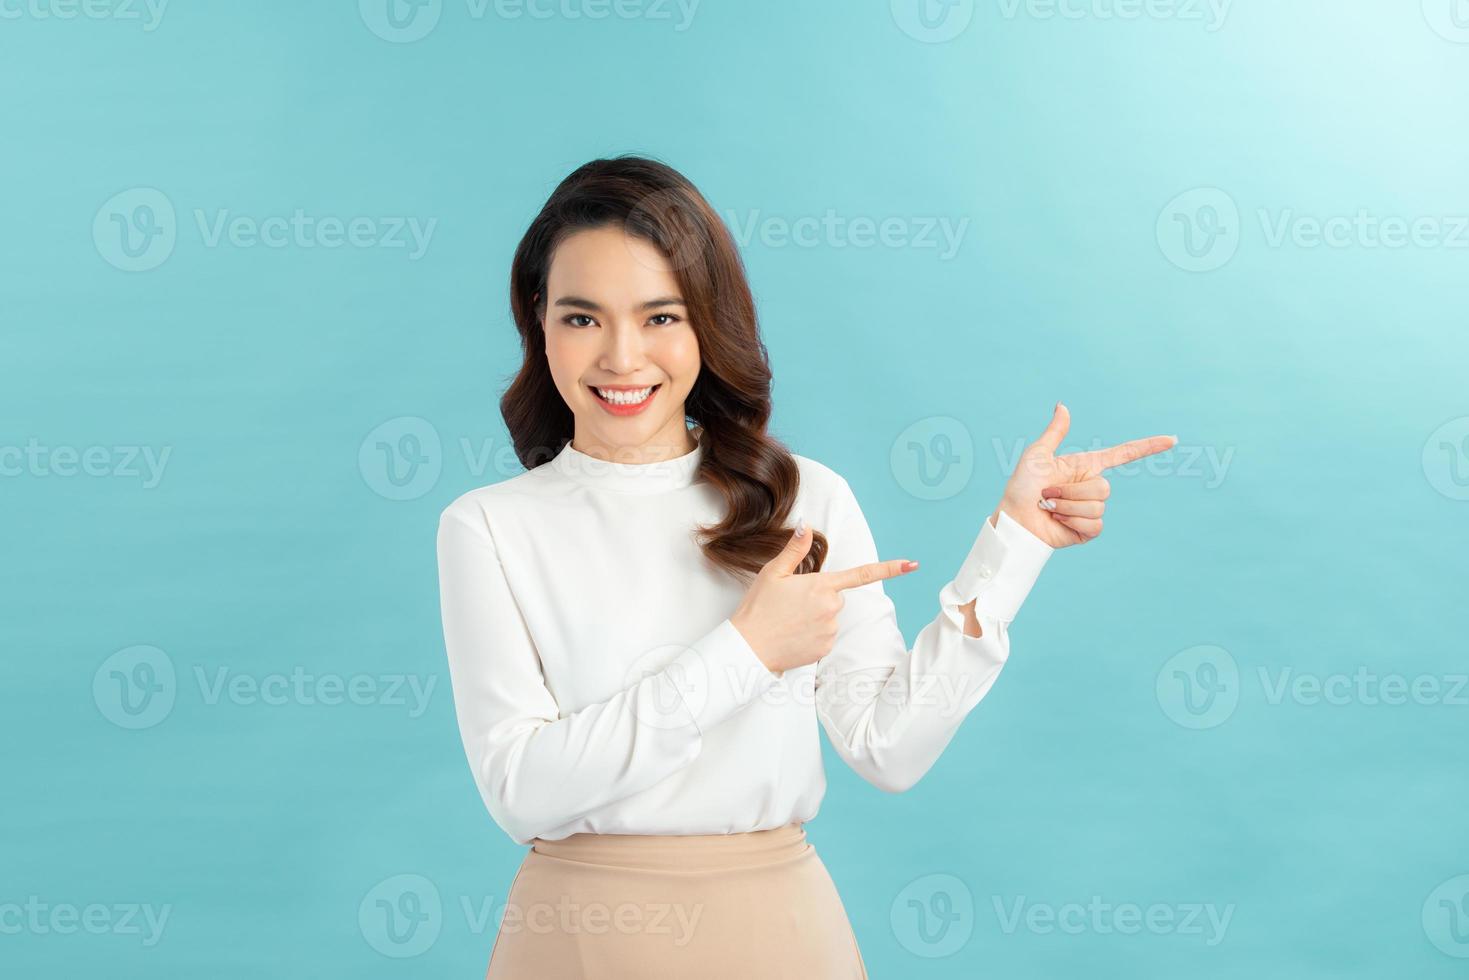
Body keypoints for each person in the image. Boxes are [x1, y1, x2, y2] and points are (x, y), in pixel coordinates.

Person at [435, 155, 1177, 978]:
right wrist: (744, 654)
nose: (620, 356)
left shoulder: (803, 499)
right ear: (538, 320)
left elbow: (888, 748)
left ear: (705, 323)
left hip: (778, 937)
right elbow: (521, 791)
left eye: (660, 317)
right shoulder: (488, 527)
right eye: (582, 319)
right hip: (571, 943)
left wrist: (1015, 546)